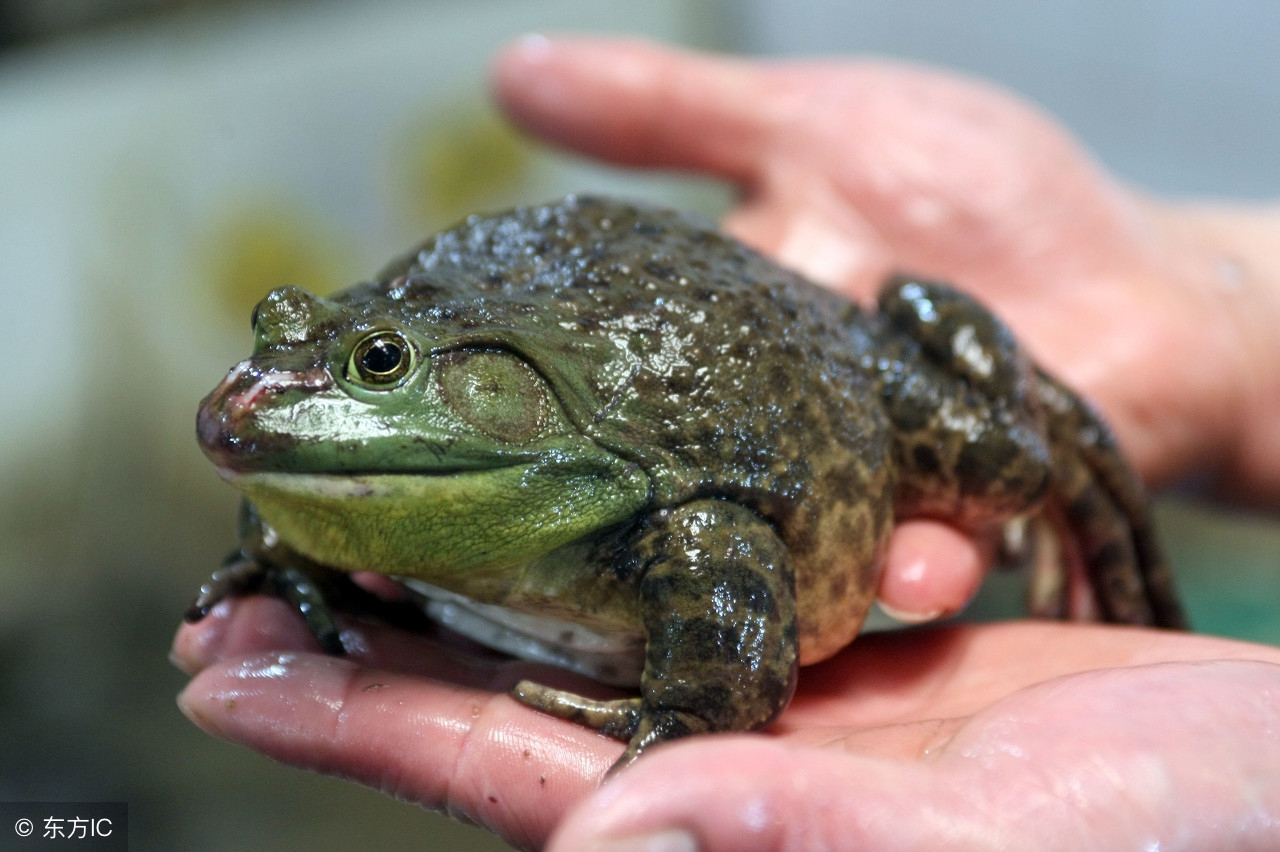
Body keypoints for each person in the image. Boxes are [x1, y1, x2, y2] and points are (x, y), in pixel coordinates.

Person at [171, 36, 1280, 850]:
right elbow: (280, 450)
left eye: (377, 371)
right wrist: (281, 549)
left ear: (486, 387)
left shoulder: (637, 504)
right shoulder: (324, 447)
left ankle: (1051, 419)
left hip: (773, 345)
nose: (263, 402)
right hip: (580, 292)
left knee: (1007, 461)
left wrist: (687, 703)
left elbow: (718, 547)